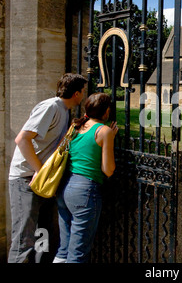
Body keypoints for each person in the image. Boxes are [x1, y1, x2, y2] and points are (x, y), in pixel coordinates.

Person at [8, 73, 88, 263]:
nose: (83, 96)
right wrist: (39, 170)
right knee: (23, 238)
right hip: (26, 178)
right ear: (76, 93)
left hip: (42, 180)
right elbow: (22, 139)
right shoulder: (51, 107)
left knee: (41, 234)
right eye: (83, 92)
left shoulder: (65, 110)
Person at [53, 92, 118, 263]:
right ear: (107, 111)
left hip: (64, 186)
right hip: (85, 190)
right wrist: (110, 137)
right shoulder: (104, 131)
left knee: (64, 248)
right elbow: (108, 169)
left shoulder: (75, 126)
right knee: (78, 252)